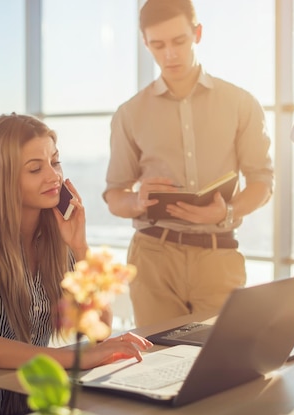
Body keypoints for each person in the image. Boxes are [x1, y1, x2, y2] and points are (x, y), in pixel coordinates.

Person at [104, 0, 274, 327]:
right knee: (157, 364)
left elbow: (262, 181)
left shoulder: (240, 103)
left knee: (222, 364)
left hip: (218, 255)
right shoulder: (130, 113)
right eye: (158, 45)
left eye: (179, 41)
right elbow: (115, 195)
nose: (169, 54)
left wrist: (228, 211)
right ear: (145, 44)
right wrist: (137, 200)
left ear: (197, 33)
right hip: (153, 257)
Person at [0, 113, 152, 376]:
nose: (54, 176)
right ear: (4, 179)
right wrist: (76, 358)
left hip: (27, 387)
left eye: (55, 162)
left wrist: (80, 248)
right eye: (35, 168)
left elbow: (100, 328)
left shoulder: (58, 240)